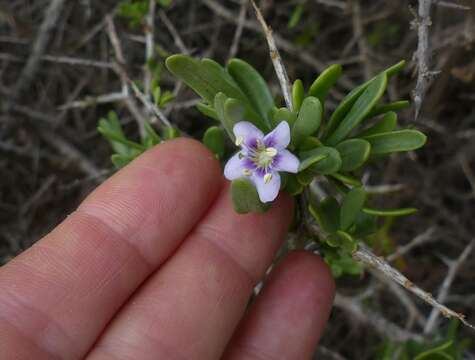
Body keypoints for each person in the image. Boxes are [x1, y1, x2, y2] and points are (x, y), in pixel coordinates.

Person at [0, 139, 335, 359]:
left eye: (264, 153)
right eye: (257, 153)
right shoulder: (251, 163)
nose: (262, 156)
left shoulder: (273, 157)